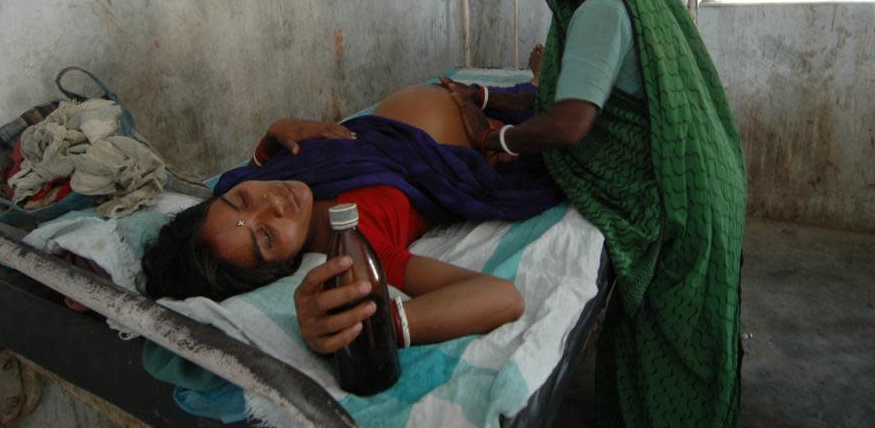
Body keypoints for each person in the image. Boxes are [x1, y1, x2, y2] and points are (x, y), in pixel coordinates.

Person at [440, 0, 746, 427]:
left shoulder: (600, 14)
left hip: (678, 202)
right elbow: (562, 93)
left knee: (668, 344)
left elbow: (570, 122)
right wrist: (483, 95)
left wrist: (495, 139)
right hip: (708, 176)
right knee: (693, 334)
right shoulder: (609, 0)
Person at [142, 84, 562, 353]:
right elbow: (504, 297)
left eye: (241, 200)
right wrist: (383, 327)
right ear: (282, 267)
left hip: (423, 102)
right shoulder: (359, 247)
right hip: (480, 132)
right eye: (267, 236)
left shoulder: (266, 176)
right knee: (559, 115)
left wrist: (276, 131)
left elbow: (255, 166)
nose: (273, 202)